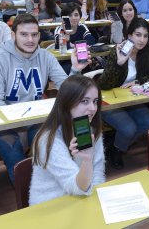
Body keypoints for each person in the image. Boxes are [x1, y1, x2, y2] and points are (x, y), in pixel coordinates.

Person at [0, 13, 90, 183]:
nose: (30, 40)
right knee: (15, 155)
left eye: (34, 34)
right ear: (13, 35)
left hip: (35, 118)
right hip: (2, 123)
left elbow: (66, 89)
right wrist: (20, 128)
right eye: (24, 34)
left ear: (40, 36)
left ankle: (53, 192)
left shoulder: (45, 57)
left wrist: (76, 70)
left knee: (51, 149)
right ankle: (28, 202)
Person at [97, 18, 149, 169]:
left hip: (132, 100)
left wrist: (140, 81)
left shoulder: (147, 52)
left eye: (145, 36)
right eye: (138, 35)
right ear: (129, 35)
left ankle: (115, 147)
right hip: (110, 101)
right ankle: (117, 148)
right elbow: (103, 84)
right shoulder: (117, 52)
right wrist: (119, 64)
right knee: (129, 128)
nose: (142, 40)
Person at [29, 75, 105, 205]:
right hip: (51, 205)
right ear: (67, 103)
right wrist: (87, 160)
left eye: (95, 101)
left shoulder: (91, 130)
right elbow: (75, 186)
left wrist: (96, 203)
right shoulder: (48, 139)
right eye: (85, 101)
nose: (93, 108)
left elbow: (97, 175)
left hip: (82, 198)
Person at [54, 3, 95, 73]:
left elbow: (91, 41)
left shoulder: (82, 27)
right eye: (69, 15)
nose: (73, 18)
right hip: (65, 61)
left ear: (80, 17)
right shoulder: (59, 29)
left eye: (76, 15)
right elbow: (62, 47)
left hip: (82, 59)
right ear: (64, 18)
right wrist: (67, 33)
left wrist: (74, 45)